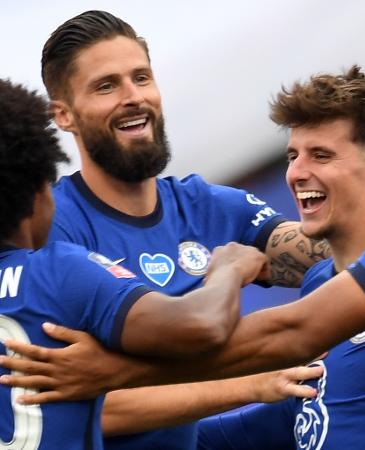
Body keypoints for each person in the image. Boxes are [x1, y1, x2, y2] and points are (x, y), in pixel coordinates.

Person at [10, 9, 329, 450]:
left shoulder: (206, 205)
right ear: (63, 115)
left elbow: (326, 254)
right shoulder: (49, 231)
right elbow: (90, 404)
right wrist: (255, 381)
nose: (133, 96)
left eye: (141, 78)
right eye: (106, 86)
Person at [0, 78, 271, 449]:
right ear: (36, 191)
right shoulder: (56, 270)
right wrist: (228, 269)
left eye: (141, 77)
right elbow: (200, 324)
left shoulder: (202, 201)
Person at [196, 65, 365, 449]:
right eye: (293, 155)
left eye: (321, 155)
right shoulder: (317, 281)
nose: (296, 172)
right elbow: (308, 415)